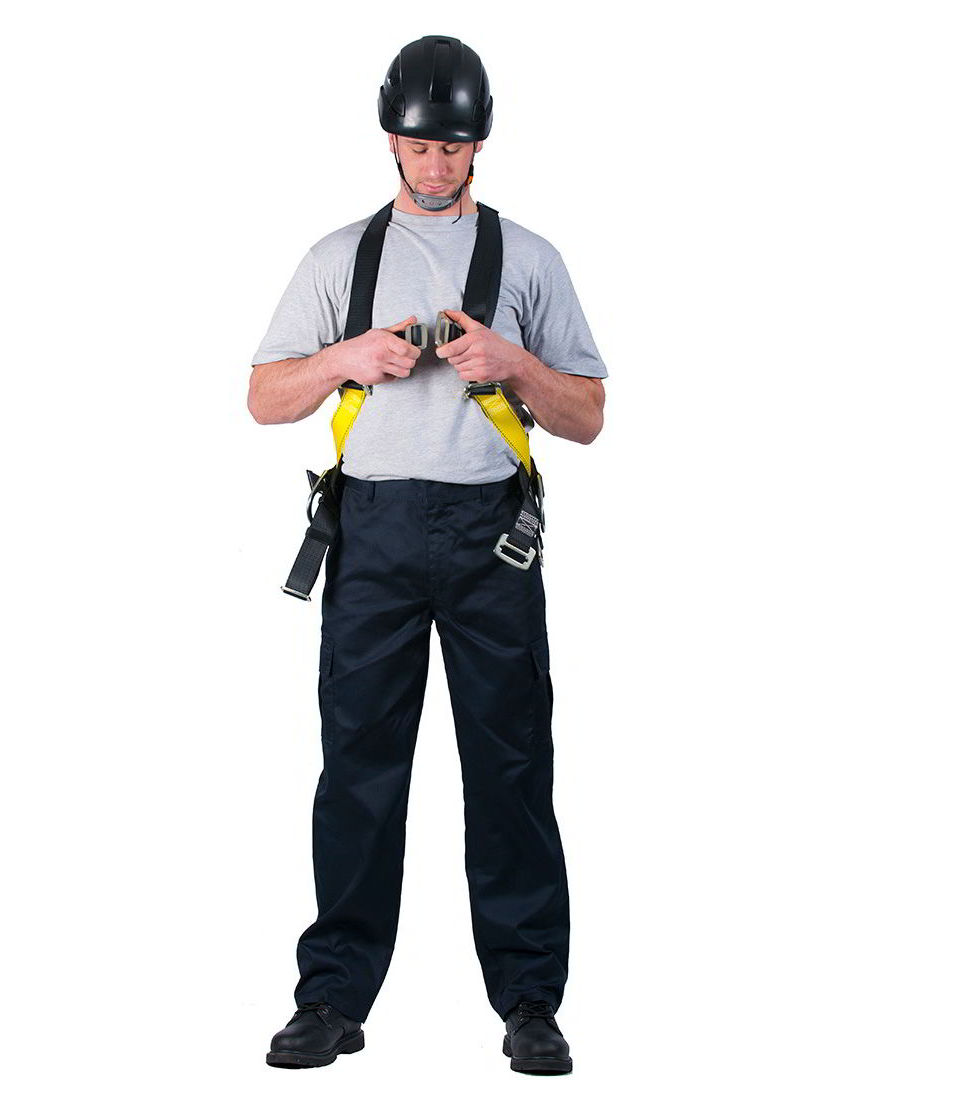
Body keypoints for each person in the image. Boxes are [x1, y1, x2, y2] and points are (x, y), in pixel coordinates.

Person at [248, 35, 606, 1075]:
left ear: (478, 142)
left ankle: (529, 1002)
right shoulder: (338, 258)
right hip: (371, 535)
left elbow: (587, 415)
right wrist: (345, 357)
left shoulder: (529, 258)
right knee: (359, 770)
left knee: (510, 767)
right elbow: (264, 397)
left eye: (452, 146)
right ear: (390, 139)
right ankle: (332, 997)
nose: (435, 164)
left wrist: (514, 363)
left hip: (494, 538)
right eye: (418, 145)